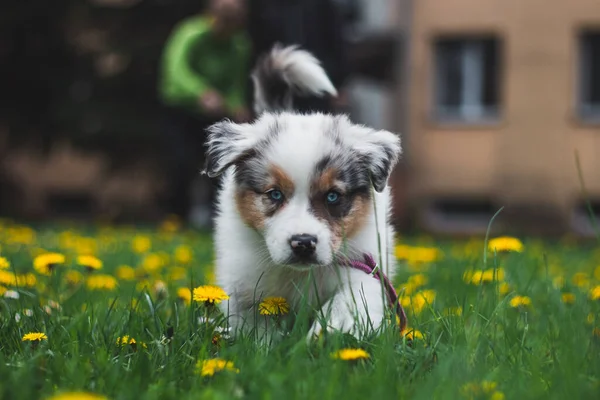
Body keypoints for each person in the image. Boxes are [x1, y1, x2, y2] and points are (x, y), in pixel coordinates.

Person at [158, 0, 251, 228]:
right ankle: (175, 216)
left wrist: (237, 104)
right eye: (223, 20)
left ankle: (214, 218)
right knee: (181, 162)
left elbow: (235, 83)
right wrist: (200, 92)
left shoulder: (239, 44)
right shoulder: (190, 33)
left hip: (216, 112)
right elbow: (176, 70)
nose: (226, 28)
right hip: (181, 108)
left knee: (218, 165)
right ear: (211, 15)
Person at [246, 0, 351, 115]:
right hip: (277, 88)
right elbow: (257, 50)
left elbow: (337, 43)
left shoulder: (323, 4)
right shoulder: (264, 6)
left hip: (319, 88)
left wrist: (339, 85)